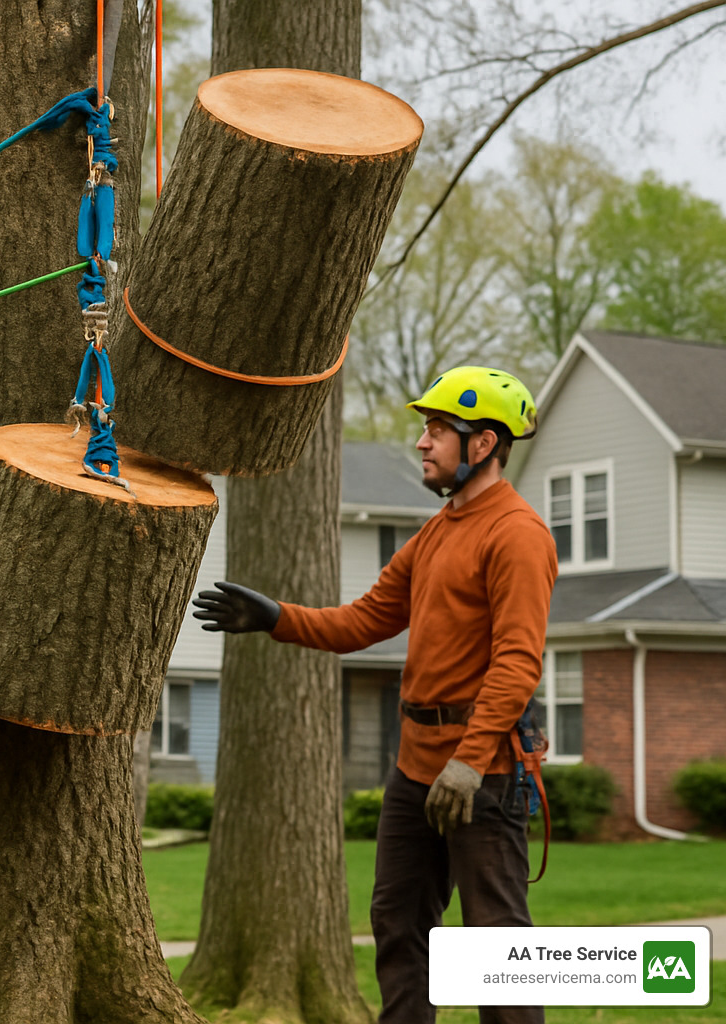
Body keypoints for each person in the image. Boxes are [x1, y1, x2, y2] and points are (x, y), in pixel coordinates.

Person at [192, 366, 557, 1024]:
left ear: (483, 444)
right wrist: (275, 617)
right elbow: (362, 622)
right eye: (426, 429)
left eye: (438, 429)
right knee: (398, 923)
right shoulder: (436, 533)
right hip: (416, 770)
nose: (422, 442)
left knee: (495, 943)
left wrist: (469, 762)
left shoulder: (517, 534)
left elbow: (517, 662)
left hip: (483, 775)